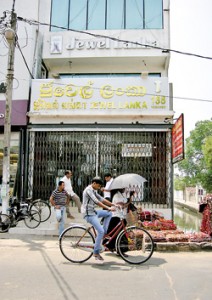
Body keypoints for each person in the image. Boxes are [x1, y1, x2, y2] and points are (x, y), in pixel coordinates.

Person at [81, 176, 116, 264]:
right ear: (94, 183)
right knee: (100, 231)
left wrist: (113, 204)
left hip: (94, 212)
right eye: (98, 186)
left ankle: (105, 232)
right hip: (88, 214)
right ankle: (96, 252)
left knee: (109, 213)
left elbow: (102, 199)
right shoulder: (88, 190)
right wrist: (108, 207)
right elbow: (97, 202)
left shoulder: (94, 190)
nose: (99, 188)